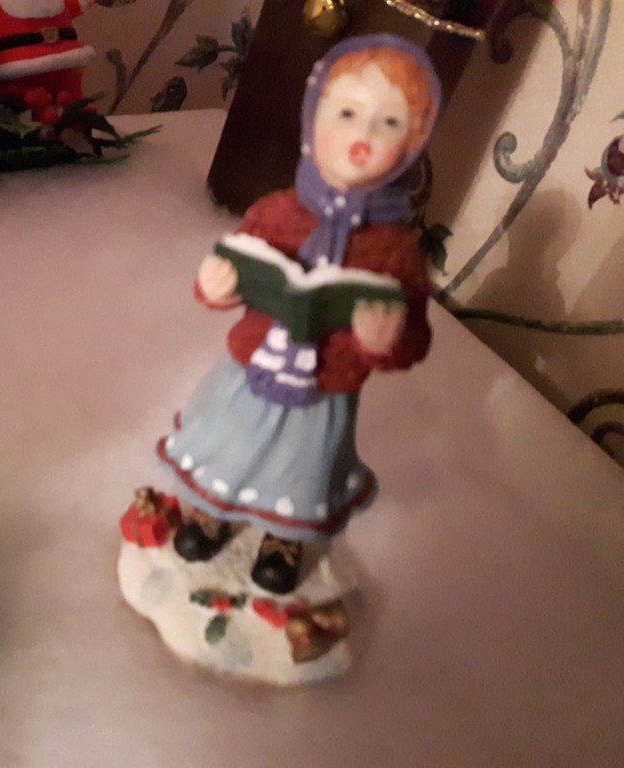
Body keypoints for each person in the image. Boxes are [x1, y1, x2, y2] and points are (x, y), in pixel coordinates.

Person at [155, 35, 442, 594]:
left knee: (301, 465)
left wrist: (385, 336)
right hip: (249, 371)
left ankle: (281, 537)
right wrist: (217, 285)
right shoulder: (276, 210)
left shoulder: (395, 247)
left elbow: (416, 335)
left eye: (388, 124)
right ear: (315, 118)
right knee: (228, 443)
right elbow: (232, 267)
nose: (362, 136)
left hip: (324, 389)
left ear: (413, 142)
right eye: (348, 113)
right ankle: (214, 512)